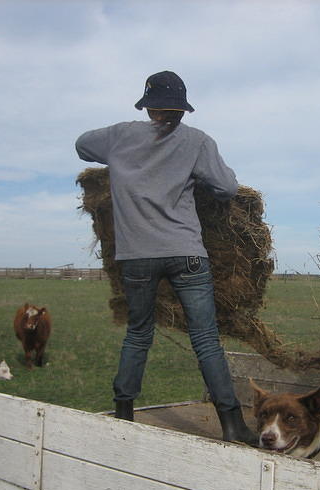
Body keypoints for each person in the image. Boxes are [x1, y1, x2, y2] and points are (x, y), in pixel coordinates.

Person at [75, 70, 257, 444]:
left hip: (136, 256)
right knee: (205, 338)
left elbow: (81, 145)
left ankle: (123, 412)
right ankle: (232, 423)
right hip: (185, 252)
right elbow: (226, 188)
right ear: (181, 109)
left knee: (139, 333)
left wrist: (121, 152)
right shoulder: (197, 141)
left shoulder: (120, 136)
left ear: (148, 106)